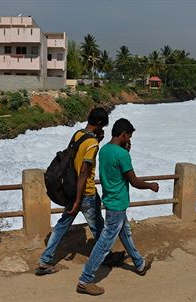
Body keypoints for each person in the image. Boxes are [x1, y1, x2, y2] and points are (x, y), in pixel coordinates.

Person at [35, 107, 123, 275]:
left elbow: (73, 160)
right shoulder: (92, 144)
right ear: (98, 123)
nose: (102, 129)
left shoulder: (78, 134)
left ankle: (45, 261)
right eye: (102, 126)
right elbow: (84, 171)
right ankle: (105, 258)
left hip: (71, 189)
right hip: (85, 193)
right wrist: (78, 199)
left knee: (62, 226)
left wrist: (73, 198)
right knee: (98, 227)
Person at [76, 118, 159, 296]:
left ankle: (139, 264)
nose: (130, 139)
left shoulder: (105, 149)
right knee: (104, 243)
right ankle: (85, 279)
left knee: (125, 232)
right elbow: (134, 182)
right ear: (123, 135)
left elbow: (113, 170)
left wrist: (125, 150)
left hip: (110, 199)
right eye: (129, 136)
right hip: (117, 203)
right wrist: (151, 185)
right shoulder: (122, 155)